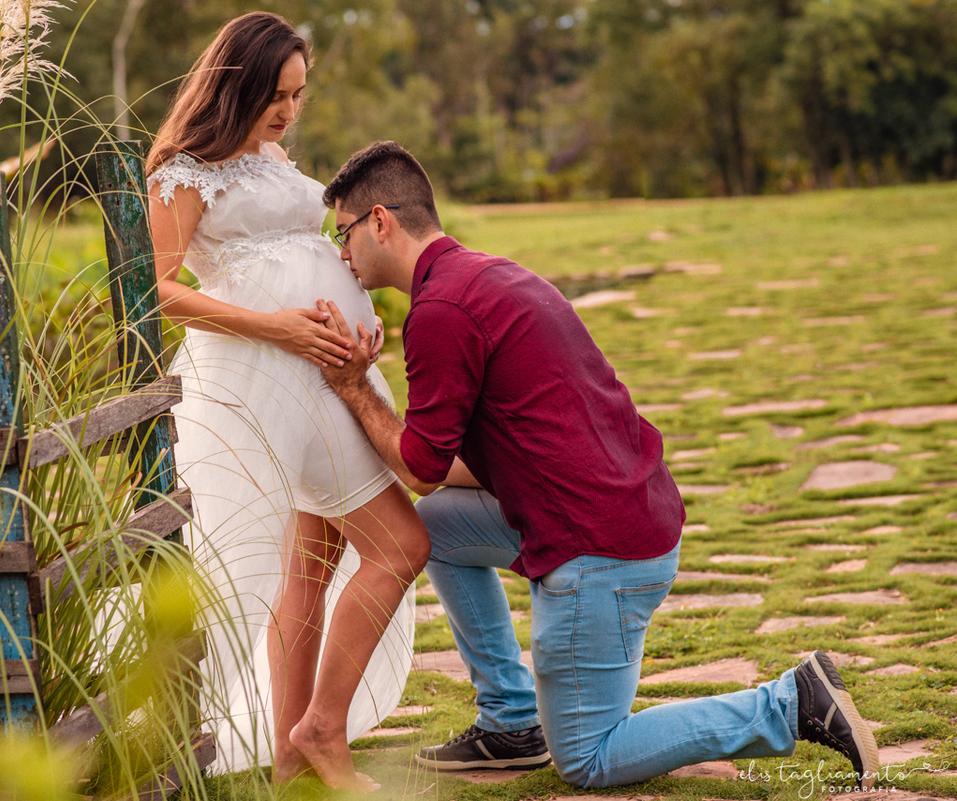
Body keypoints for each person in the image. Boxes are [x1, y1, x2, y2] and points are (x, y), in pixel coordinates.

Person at [316, 140, 880, 791]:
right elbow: (462, 464)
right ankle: (511, 722)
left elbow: (419, 465)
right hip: (629, 514)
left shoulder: (440, 311)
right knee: (433, 526)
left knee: (589, 757)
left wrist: (354, 388)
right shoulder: (490, 275)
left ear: (380, 221)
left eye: (344, 232)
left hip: (601, 550)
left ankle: (790, 702)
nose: (342, 252)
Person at [144, 14, 430, 792]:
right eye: (276, 95)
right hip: (261, 385)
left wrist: (356, 314)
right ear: (235, 86)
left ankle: (292, 755)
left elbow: (302, 250)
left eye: (298, 94)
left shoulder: (271, 156)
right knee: (401, 544)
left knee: (310, 566)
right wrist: (279, 326)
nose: (289, 111)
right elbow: (157, 289)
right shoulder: (182, 172)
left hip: (329, 378)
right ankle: (320, 733)